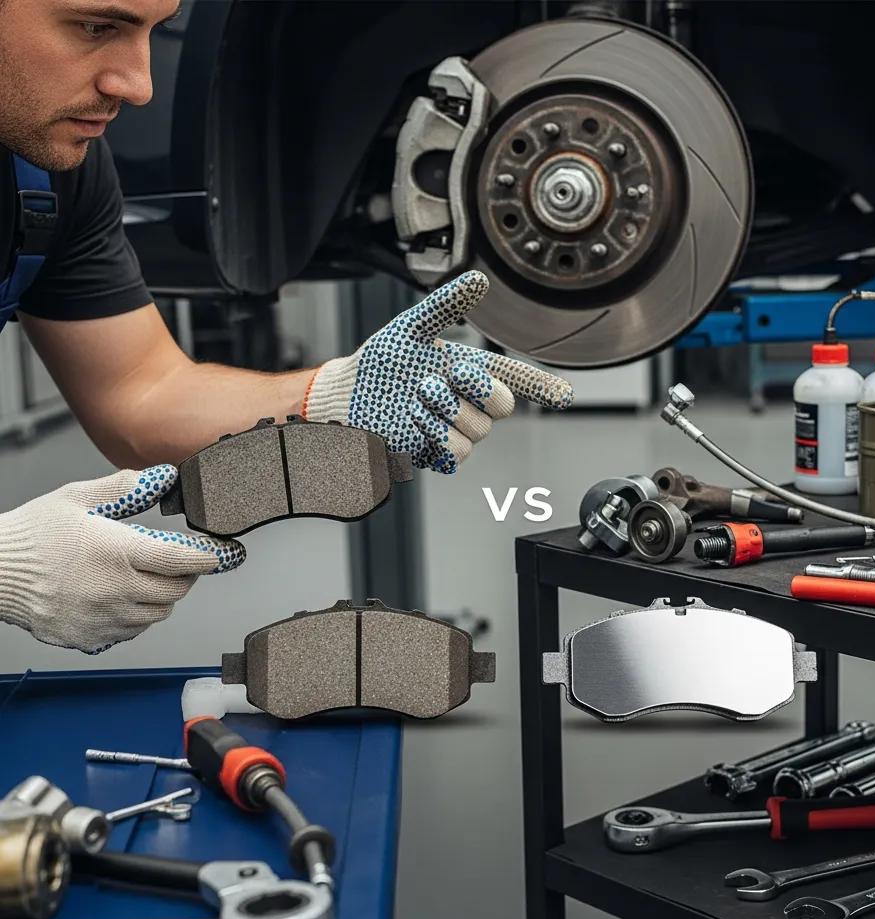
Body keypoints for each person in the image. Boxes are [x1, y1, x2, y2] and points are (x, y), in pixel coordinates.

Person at [0, 0, 573, 654]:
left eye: (151, 32)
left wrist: (329, 397)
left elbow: (140, 391)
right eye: (96, 27)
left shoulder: (55, 175)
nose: (138, 85)